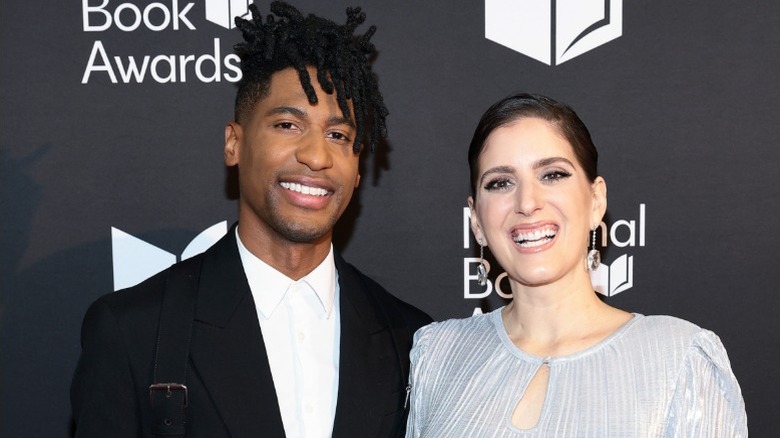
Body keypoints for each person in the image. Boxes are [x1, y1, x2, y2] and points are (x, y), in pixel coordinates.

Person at [70, 2, 431, 437]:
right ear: (233, 144)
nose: (317, 156)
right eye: (287, 125)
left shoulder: (412, 340)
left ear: (358, 170)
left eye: (339, 135)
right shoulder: (134, 331)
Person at [405, 93, 747, 437]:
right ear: (477, 221)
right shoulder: (437, 354)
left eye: (552, 175)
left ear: (596, 200)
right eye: (500, 182)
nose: (527, 202)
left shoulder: (678, 357)